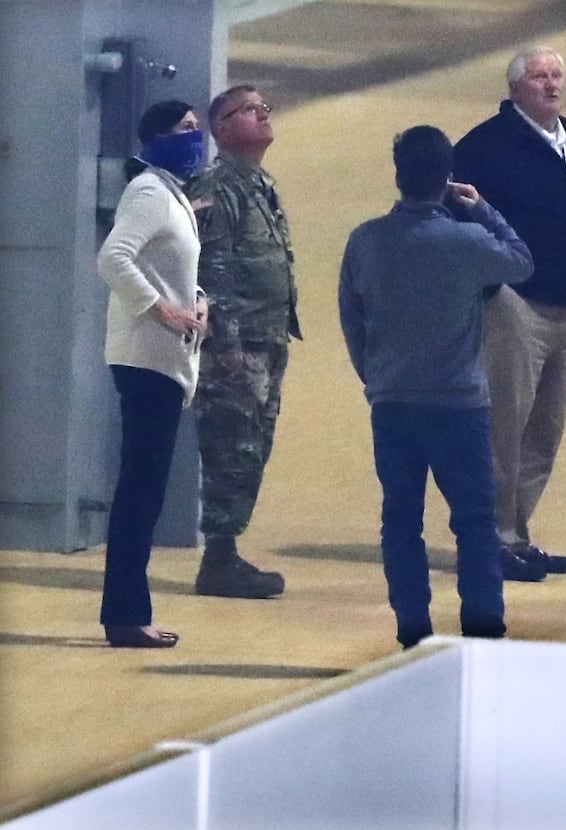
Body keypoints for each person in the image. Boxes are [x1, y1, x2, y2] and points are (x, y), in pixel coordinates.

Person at [339, 126, 533, 649]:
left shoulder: (366, 240)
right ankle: (484, 626)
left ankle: (412, 628)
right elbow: (521, 260)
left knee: (401, 519)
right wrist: (482, 208)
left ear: (398, 175)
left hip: (393, 401)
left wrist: (376, 375)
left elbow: (352, 320)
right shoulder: (465, 240)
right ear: (448, 178)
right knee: (474, 522)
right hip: (458, 404)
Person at [453, 45, 566, 581]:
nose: (550, 84)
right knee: (503, 428)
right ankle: (488, 539)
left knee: (545, 430)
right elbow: (459, 221)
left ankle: (517, 534)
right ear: (515, 87)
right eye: (539, 76)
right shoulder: (484, 146)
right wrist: (493, 282)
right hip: (516, 303)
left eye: (556, 74)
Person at [97, 100, 210, 648]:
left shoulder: (171, 194)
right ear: (158, 137)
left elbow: (173, 267)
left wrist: (197, 301)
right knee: (140, 491)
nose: (196, 137)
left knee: (144, 488)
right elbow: (114, 257)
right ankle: (125, 615)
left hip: (163, 359)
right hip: (147, 359)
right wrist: (159, 309)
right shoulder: (148, 192)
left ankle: (126, 613)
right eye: (186, 129)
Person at [184, 85, 296, 599]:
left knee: (252, 446)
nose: (262, 115)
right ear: (222, 128)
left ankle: (226, 552)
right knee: (231, 446)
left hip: (265, 340)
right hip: (237, 346)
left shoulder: (259, 183)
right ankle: (219, 559)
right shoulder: (217, 185)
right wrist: (226, 348)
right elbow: (212, 268)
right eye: (249, 110)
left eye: (264, 108)